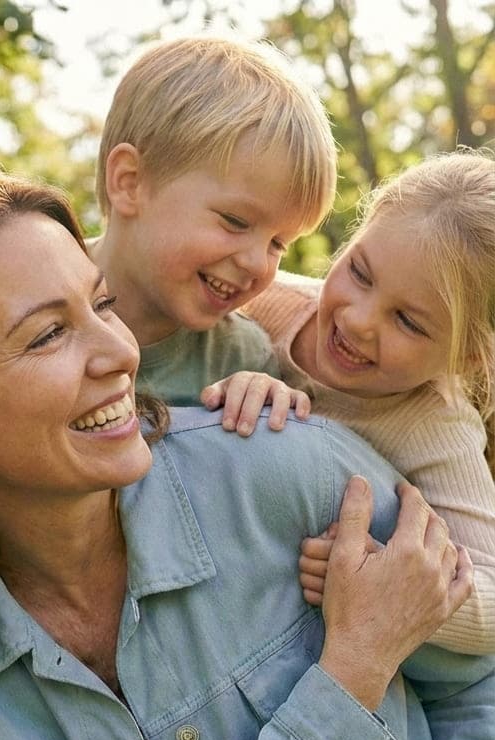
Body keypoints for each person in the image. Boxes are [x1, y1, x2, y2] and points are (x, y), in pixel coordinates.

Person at [0, 169, 493, 740]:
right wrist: (349, 677)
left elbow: (479, 684)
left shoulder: (292, 472)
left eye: (102, 304)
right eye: (48, 334)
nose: (122, 355)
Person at [197, 151, 495, 655]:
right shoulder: (264, 301)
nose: (358, 320)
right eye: (359, 272)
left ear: (463, 358)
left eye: (408, 321)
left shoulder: (435, 424)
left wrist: (387, 580)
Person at [85, 35, 336, 405]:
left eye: (278, 243)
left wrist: (264, 406)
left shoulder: (241, 358)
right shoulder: (29, 296)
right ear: (130, 183)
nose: (255, 262)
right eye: (235, 221)